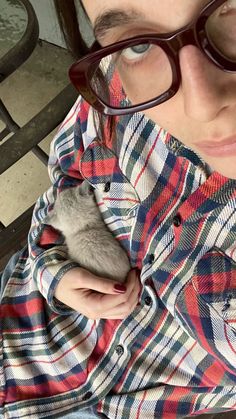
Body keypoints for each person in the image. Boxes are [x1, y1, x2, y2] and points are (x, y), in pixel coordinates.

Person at [1, 0, 236, 418]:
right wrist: (53, 271)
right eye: (138, 46)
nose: (200, 107)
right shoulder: (115, 84)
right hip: (22, 325)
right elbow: (66, 183)